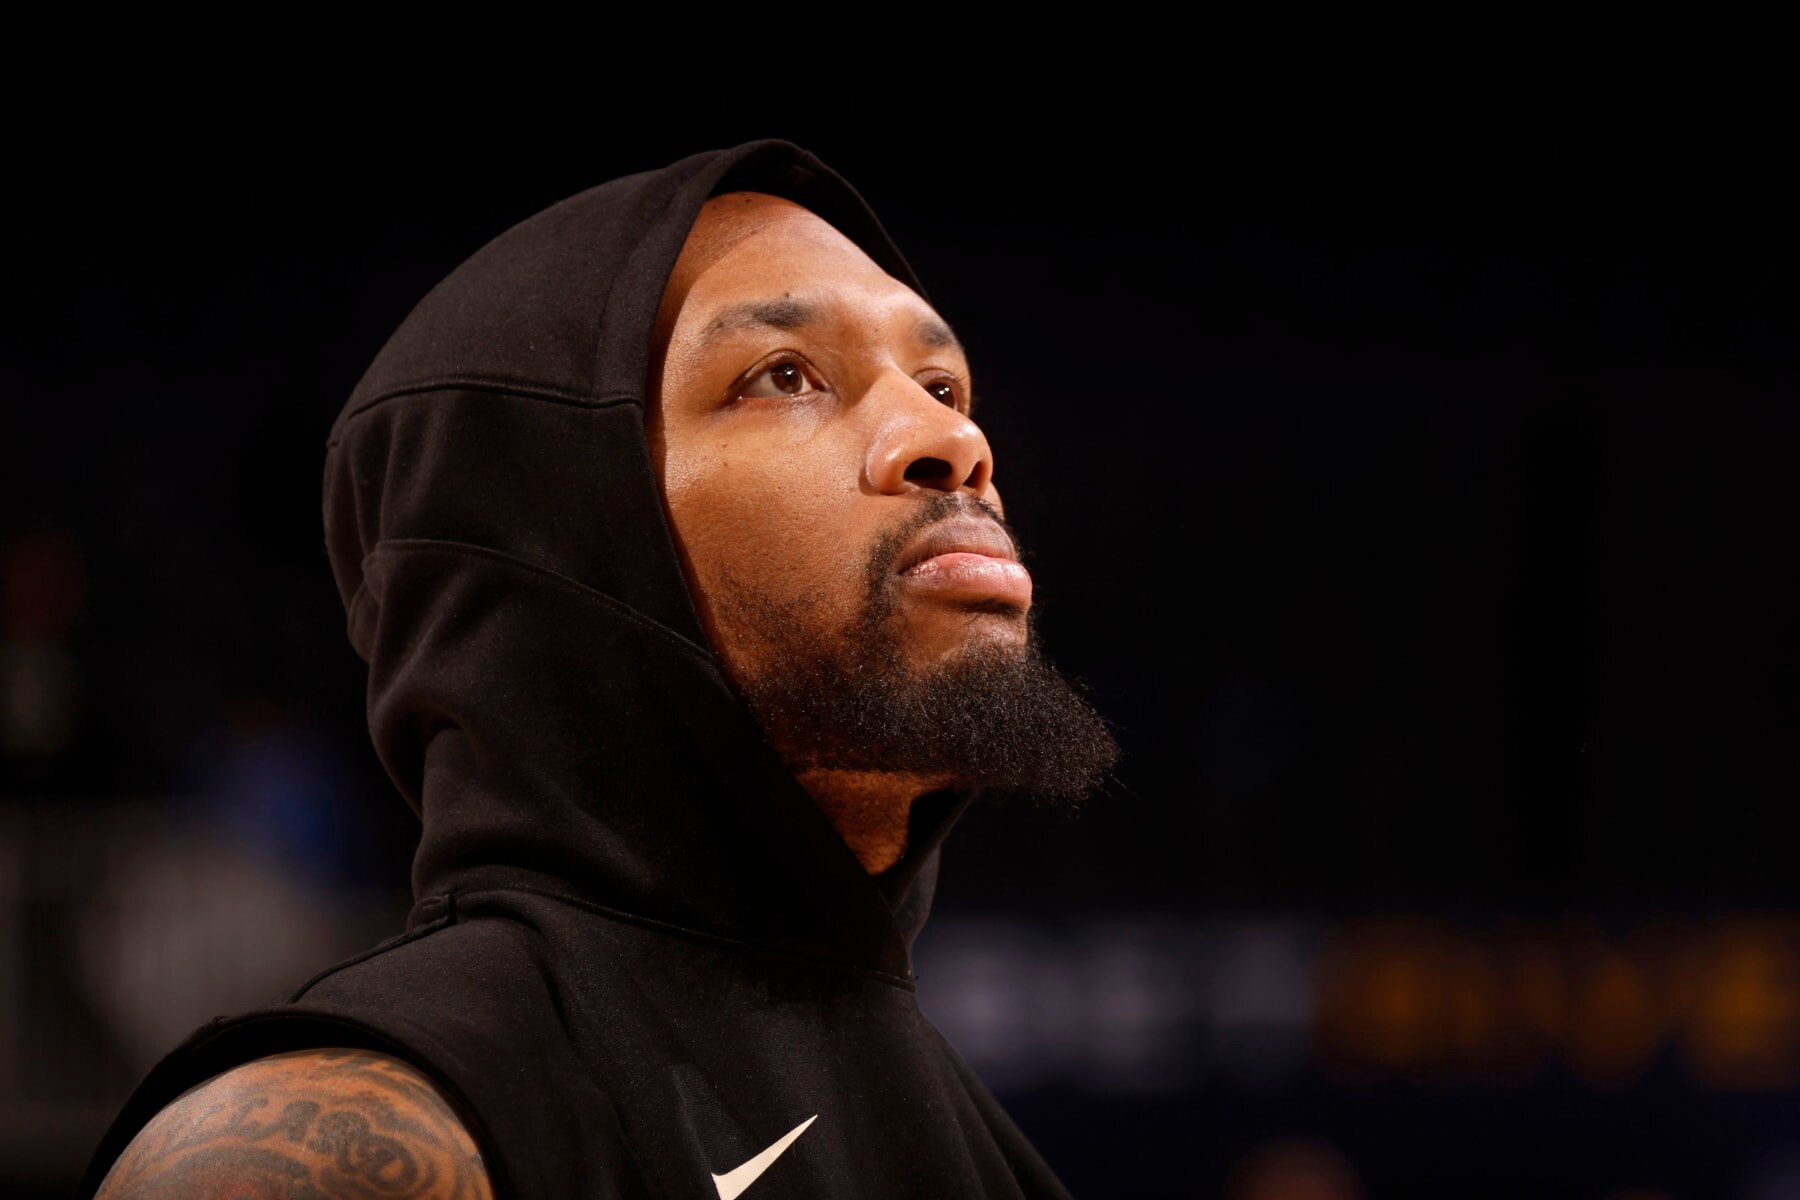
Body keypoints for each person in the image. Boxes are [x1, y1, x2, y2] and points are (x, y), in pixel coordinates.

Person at [79, 139, 1118, 1200]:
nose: (949, 438)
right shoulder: (323, 1149)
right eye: (784, 376)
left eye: (943, 381)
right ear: (552, 539)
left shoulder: (982, 1144)